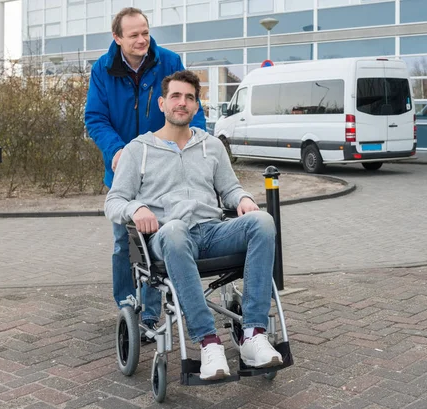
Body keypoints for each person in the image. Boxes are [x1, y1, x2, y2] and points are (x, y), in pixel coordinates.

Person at [104, 70, 283, 380]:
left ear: (197, 106)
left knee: (263, 222)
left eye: (189, 97)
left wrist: (243, 199)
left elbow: (230, 189)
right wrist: (137, 207)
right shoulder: (138, 150)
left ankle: (253, 335)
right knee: (173, 230)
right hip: (168, 237)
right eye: (175, 96)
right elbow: (114, 202)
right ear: (162, 103)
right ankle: (208, 342)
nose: (182, 103)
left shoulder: (211, 146)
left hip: (212, 232)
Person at [85, 7, 206, 331]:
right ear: (117, 38)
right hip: (123, 166)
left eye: (145, 32)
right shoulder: (103, 70)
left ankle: (151, 313)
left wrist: (200, 146)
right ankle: (128, 304)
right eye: (134, 35)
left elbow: (192, 107)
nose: (142, 40)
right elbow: (95, 117)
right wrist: (117, 150)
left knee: (159, 235)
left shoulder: (168, 61)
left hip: (164, 169)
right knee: (124, 244)